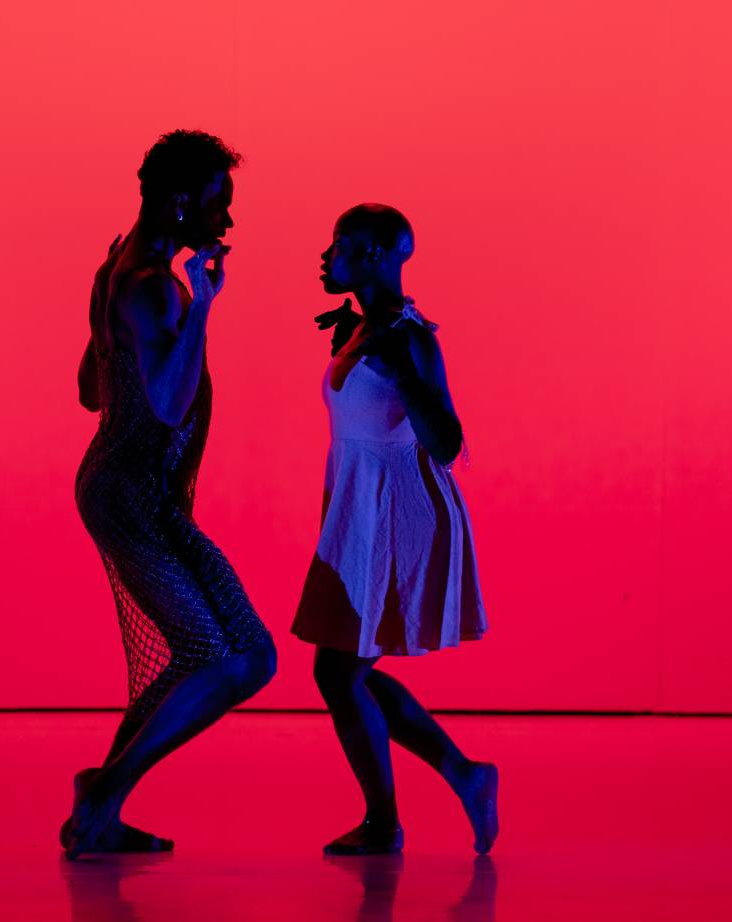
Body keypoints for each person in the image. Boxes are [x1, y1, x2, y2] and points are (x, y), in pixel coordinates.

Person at [66, 130, 276, 858]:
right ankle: (100, 804)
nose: (227, 222)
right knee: (227, 658)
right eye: (221, 203)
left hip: (136, 492)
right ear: (182, 199)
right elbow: (165, 404)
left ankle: (100, 798)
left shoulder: (116, 269)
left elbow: (92, 390)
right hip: (133, 498)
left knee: (239, 656)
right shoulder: (156, 287)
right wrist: (205, 309)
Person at [292, 204, 496, 855]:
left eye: (342, 244)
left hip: (398, 513)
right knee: (342, 671)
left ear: (378, 253)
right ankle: (462, 776)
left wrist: (402, 368)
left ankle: (392, 820)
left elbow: (446, 441)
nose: (327, 255)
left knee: (338, 671)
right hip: (362, 508)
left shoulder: (408, 337)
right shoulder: (370, 328)